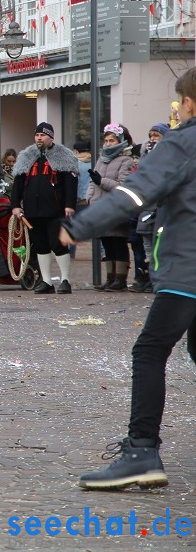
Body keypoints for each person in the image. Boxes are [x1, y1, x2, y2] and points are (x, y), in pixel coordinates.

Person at [59, 67, 196, 491]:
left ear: (189, 102)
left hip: (188, 269)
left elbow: (133, 194)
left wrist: (80, 226)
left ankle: (141, 451)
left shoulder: (183, 143)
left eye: (180, 102)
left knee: (150, 352)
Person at [10, 122, 78, 294]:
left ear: (51, 137)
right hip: (33, 210)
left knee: (59, 244)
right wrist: (15, 205)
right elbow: (17, 183)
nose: (39, 138)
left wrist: (70, 204)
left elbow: (71, 183)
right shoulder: (27, 156)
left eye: (43, 135)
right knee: (40, 245)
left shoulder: (64, 155)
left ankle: (65, 280)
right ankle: (47, 281)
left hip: (55, 209)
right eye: (37, 135)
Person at [87, 123, 136, 291]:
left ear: (121, 141)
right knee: (107, 243)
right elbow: (93, 182)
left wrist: (102, 182)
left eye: (112, 140)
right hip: (100, 207)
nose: (108, 144)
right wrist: (90, 198)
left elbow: (123, 185)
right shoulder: (102, 158)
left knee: (118, 242)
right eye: (106, 141)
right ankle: (110, 278)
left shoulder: (126, 160)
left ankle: (120, 279)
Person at [131, 124, 169, 292]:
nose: (153, 138)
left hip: (162, 206)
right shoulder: (145, 154)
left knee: (161, 245)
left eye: (157, 135)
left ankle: (161, 280)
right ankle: (151, 278)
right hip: (146, 206)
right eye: (151, 135)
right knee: (147, 245)